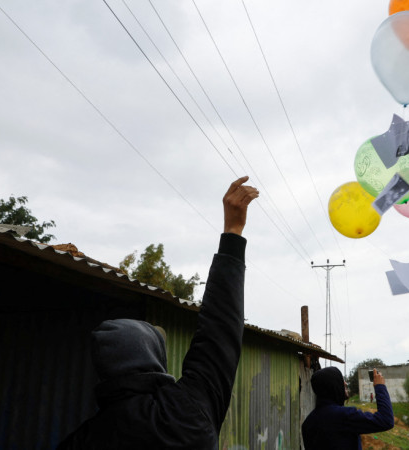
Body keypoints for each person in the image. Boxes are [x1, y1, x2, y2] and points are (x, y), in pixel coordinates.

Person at [57, 176, 259, 450]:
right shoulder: (184, 414)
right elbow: (219, 330)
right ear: (154, 356)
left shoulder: (83, 439)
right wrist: (233, 231)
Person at [302, 367, 394, 450]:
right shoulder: (343, 416)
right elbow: (386, 420)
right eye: (340, 380)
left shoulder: (308, 423)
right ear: (332, 385)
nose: (345, 383)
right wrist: (380, 386)